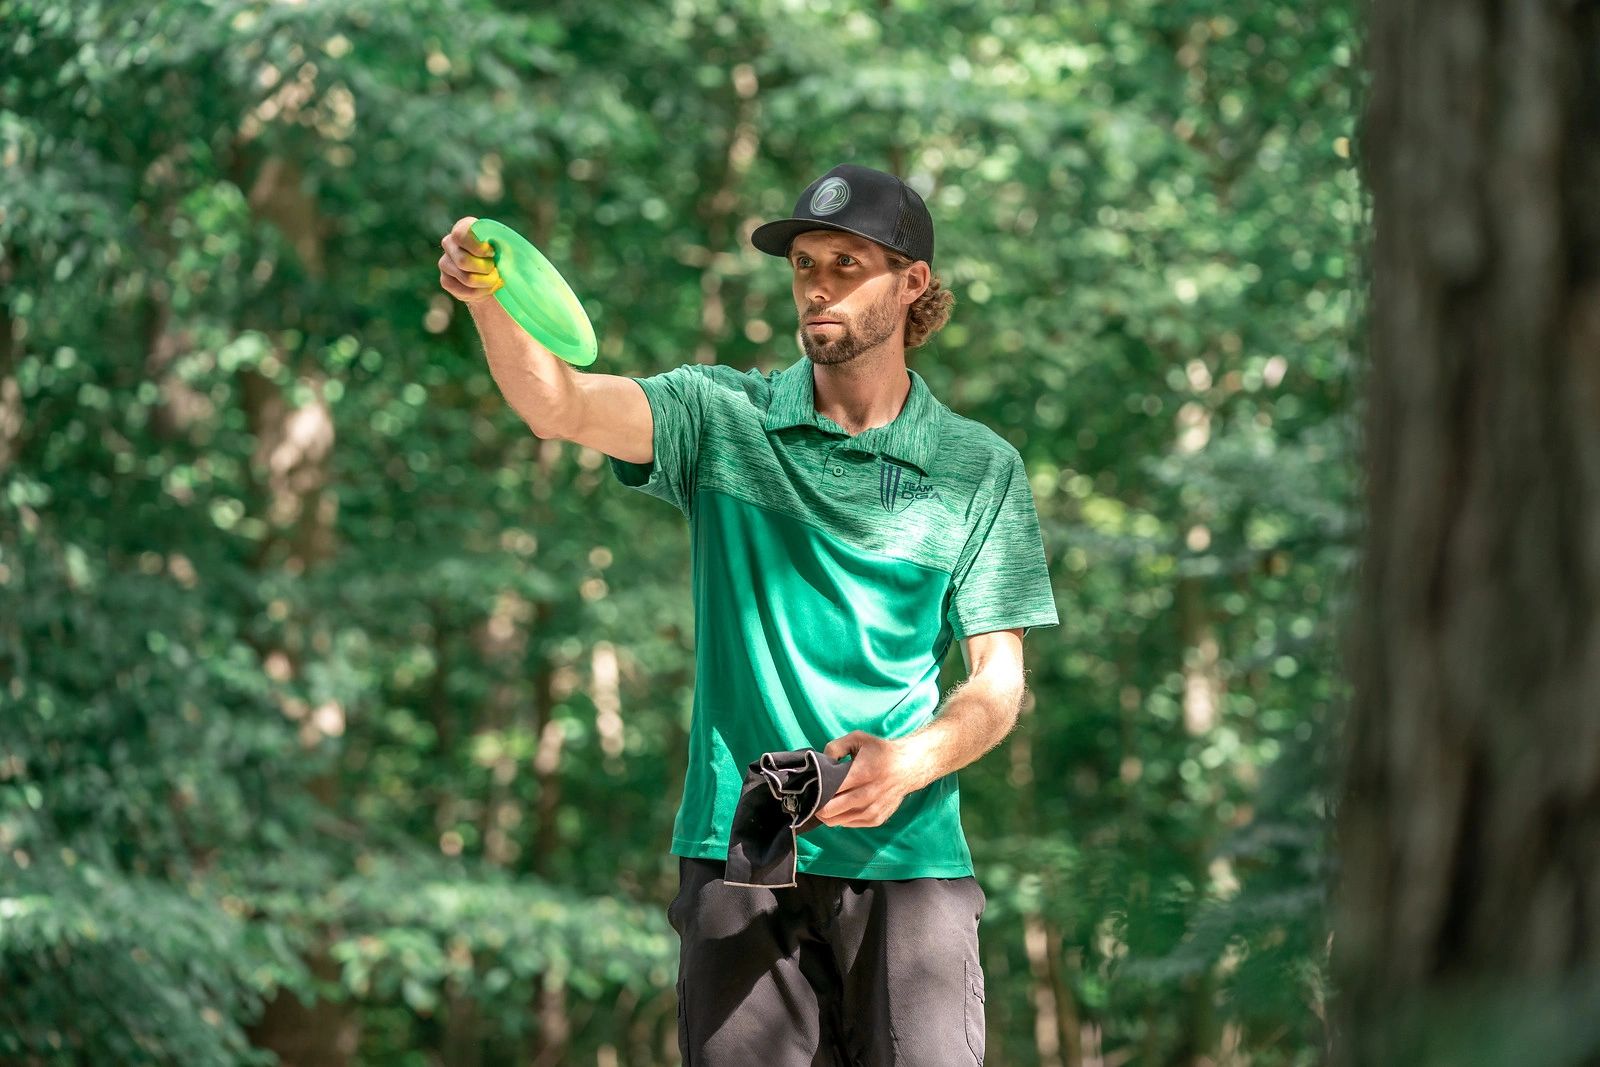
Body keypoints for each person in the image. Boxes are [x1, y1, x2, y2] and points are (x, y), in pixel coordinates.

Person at [438, 162, 1058, 1066]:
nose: (818, 285)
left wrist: (909, 761)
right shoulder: (717, 414)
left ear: (913, 283)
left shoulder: (978, 466)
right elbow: (558, 404)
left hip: (909, 859)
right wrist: (489, 299)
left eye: (848, 264)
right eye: (806, 264)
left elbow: (998, 682)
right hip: (741, 855)